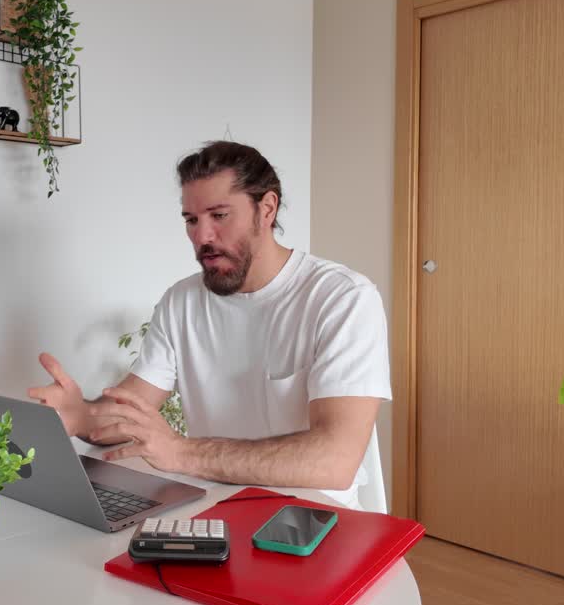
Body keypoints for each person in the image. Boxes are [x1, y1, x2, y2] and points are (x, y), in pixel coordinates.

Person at [26, 141, 390, 508]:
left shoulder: (343, 298)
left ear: (266, 209)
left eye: (219, 216)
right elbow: (131, 408)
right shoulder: (180, 301)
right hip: (215, 513)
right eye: (191, 219)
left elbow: (335, 461)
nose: (202, 237)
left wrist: (181, 453)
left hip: (315, 521)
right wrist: (80, 416)